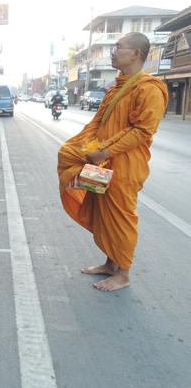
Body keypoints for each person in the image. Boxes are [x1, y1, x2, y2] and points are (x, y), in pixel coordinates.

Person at [57, 32, 168, 292]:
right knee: (103, 213)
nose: (113, 51)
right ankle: (110, 264)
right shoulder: (118, 86)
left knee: (120, 217)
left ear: (135, 54)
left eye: (118, 47)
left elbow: (142, 131)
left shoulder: (149, 88)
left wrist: (105, 152)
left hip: (124, 165)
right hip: (102, 162)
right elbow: (99, 123)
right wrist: (81, 148)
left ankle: (124, 274)